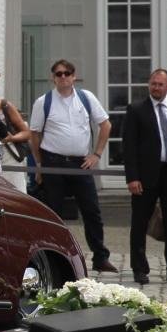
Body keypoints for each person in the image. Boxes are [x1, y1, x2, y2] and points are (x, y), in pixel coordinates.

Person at [28, 59, 117, 273]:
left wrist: (97, 154)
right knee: (53, 212)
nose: (63, 77)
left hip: (80, 163)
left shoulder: (86, 98)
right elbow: (34, 134)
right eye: (58, 74)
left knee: (91, 210)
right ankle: (52, 256)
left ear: (73, 76)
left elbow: (105, 125)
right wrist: (39, 164)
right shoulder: (44, 101)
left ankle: (100, 256)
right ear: (53, 78)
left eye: (66, 73)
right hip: (53, 162)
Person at [122, 68, 167, 285]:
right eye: (153, 83)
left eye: (160, 84)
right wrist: (132, 177)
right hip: (145, 176)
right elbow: (129, 147)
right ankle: (139, 269)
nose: (156, 87)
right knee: (140, 223)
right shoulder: (136, 110)